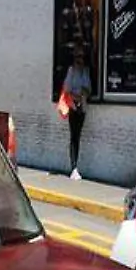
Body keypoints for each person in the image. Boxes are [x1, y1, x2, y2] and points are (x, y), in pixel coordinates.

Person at [62, 45, 93, 180]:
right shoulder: (71, 70)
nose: (80, 60)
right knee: (73, 136)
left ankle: (76, 166)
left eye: (81, 57)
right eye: (77, 57)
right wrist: (76, 97)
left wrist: (84, 93)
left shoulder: (85, 71)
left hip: (83, 105)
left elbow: (89, 88)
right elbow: (67, 88)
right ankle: (73, 167)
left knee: (78, 136)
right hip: (73, 106)